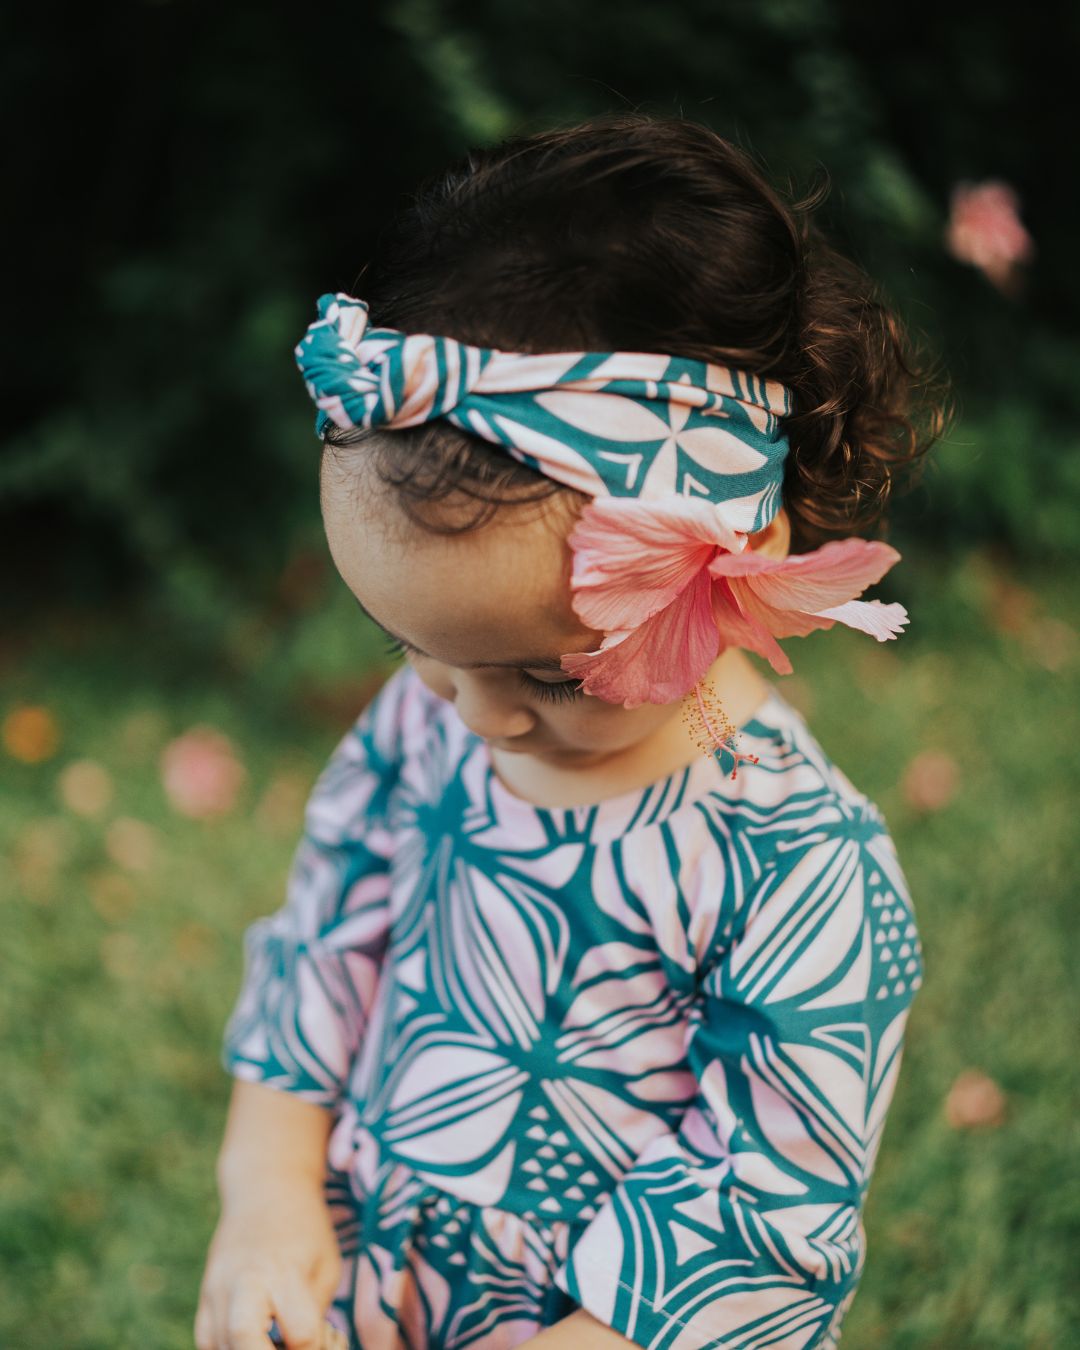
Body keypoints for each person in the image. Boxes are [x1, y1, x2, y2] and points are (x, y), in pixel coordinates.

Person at [194, 113, 950, 1350]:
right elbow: (322, 940)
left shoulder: (798, 869)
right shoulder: (423, 726)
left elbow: (762, 1218)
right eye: (414, 650)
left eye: (552, 674)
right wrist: (270, 1194)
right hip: (364, 1293)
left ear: (733, 559)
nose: (476, 714)